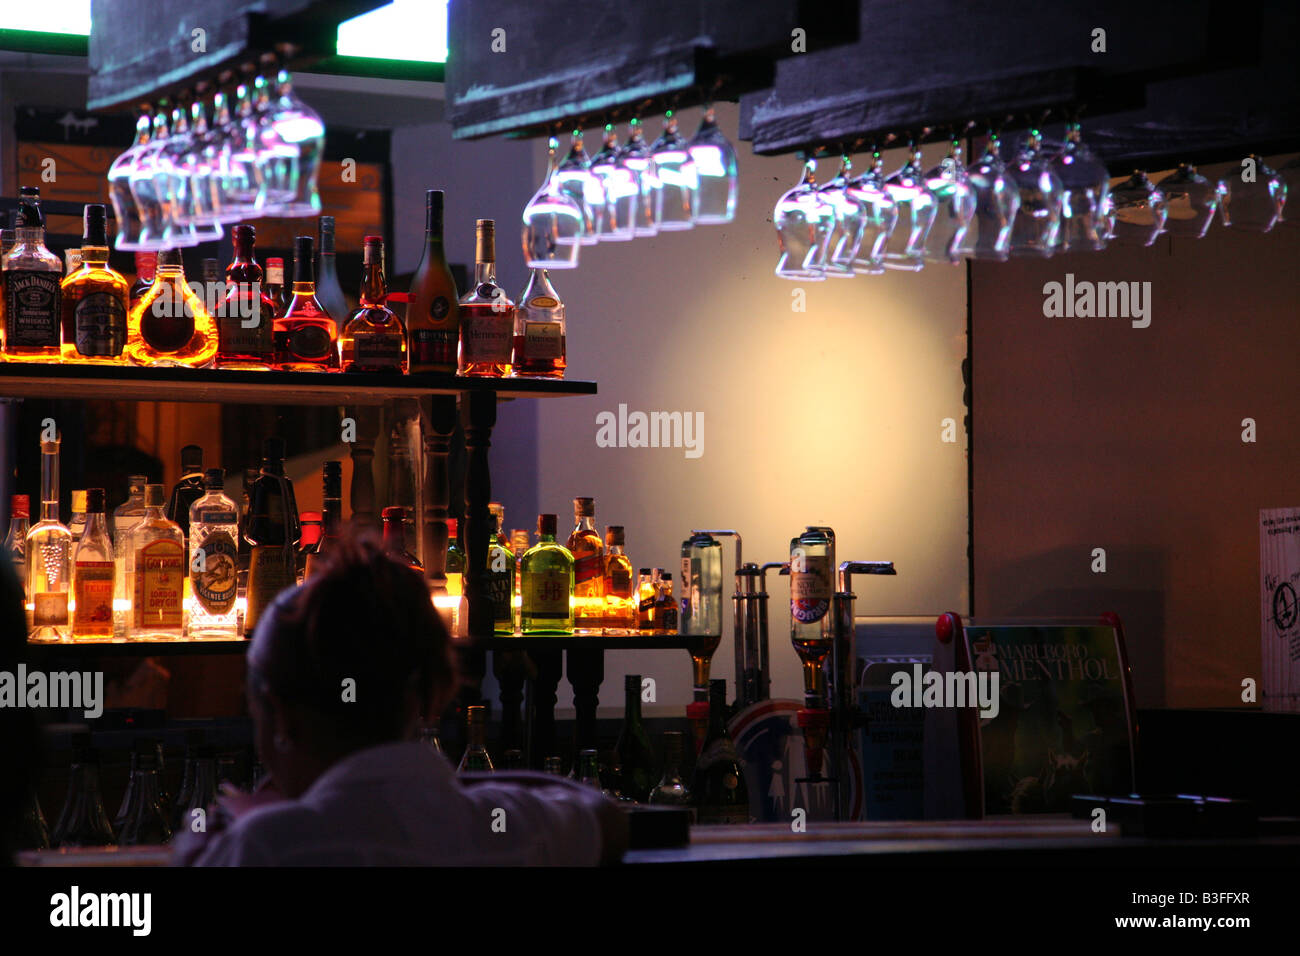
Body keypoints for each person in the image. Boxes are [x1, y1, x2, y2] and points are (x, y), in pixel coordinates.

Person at [176, 535, 626, 865]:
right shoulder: (509, 828)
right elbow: (603, 816)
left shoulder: (261, 845)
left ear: (278, 716)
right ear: (432, 698)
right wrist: (437, 787)